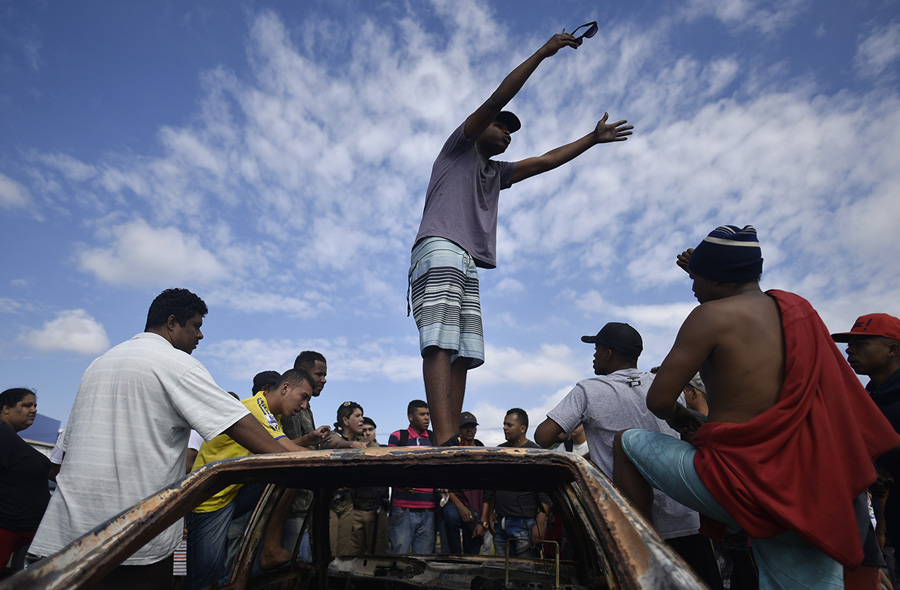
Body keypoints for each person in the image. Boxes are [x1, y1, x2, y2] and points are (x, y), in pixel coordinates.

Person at [612, 225, 900, 589]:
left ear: (717, 277)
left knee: (626, 442)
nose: (692, 286)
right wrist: (707, 268)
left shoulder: (709, 316)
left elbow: (658, 401)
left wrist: (679, 415)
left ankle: (644, 570)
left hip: (743, 478)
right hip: (814, 481)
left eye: (696, 278)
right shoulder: (798, 311)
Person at [409, 30, 633, 446]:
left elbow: (545, 161)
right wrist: (544, 52)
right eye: (501, 125)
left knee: (464, 351)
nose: (507, 132)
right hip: (439, 245)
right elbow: (498, 97)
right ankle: (442, 437)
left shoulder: (496, 173)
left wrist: (592, 139)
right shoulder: (458, 149)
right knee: (439, 342)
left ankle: (452, 438)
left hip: (466, 259)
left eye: (512, 131)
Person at [28, 288, 294, 589]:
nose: (200, 336)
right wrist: (289, 465)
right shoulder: (176, 363)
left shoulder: (99, 364)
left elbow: (61, 458)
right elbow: (237, 422)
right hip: (132, 542)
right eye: (196, 326)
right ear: (172, 323)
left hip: (65, 539)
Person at [533, 324, 720, 588]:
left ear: (608, 353)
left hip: (630, 524)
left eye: (597, 349)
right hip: (684, 516)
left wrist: (572, 425)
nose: (594, 355)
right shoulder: (664, 385)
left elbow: (543, 437)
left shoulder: (588, 390)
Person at [186, 369, 314, 590]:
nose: (304, 406)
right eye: (303, 397)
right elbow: (287, 451)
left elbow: (283, 448)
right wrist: (338, 458)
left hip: (232, 493)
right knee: (204, 581)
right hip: (210, 500)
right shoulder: (256, 408)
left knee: (290, 478)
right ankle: (264, 556)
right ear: (285, 388)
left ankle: (268, 552)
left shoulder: (272, 414)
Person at [832, 313, 900, 579]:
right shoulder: (868, 398)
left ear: (892, 349)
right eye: (849, 343)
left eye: (861, 343)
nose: (849, 350)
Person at [279, 351, 333, 561]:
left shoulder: (305, 407)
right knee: (295, 563)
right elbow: (284, 450)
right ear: (302, 371)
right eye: (319, 374)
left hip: (303, 502)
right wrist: (309, 441)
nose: (324, 380)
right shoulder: (289, 405)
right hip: (291, 505)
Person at [483, 409, 551, 557]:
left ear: (522, 428)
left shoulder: (535, 453)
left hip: (526, 524)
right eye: (504, 424)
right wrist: (490, 513)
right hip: (501, 523)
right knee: (502, 568)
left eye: (509, 425)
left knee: (525, 569)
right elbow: (493, 486)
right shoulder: (500, 451)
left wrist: (540, 523)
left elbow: (545, 492)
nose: (505, 428)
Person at [0, 388, 51, 576]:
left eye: (35, 406)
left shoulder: (11, 437)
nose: (34, 410)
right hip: (7, 530)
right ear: (6, 409)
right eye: (27, 405)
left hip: (25, 532)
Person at [387, 400, 436, 554]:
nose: (427, 418)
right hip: (403, 509)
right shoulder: (398, 437)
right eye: (422, 414)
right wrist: (401, 482)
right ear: (410, 417)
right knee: (398, 557)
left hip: (428, 510)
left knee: (423, 560)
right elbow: (389, 468)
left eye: (428, 414)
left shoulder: (434, 438)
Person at [440, 411, 486, 555]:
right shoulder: (452, 451)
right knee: (451, 516)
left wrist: (483, 521)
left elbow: (488, 489)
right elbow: (443, 483)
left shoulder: (483, 451)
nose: (469, 429)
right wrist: (460, 507)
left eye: (472, 426)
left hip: (477, 510)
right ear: (459, 429)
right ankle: (454, 556)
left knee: (472, 556)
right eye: (465, 426)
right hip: (456, 504)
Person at [326, 402, 368, 557]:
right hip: (329, 503)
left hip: (347, 502)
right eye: (357, 416)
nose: (362, 419)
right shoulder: (334, 436)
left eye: (362, 415)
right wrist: (351, 445)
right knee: (329, 551)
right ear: (345, 420)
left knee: (344, 553)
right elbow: (333, 444)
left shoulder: (361, 440)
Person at [348, 415, 390, 555]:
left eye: (370, 429)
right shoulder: (352, 451)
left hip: (377, 508)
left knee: (378, 552)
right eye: (364, 430)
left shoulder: (384, 451)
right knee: (353, 553)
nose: (367, 433)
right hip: (356, 508)